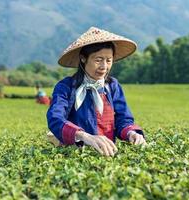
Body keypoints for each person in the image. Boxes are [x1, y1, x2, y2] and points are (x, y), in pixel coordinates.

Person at [46, 27, 146, 157]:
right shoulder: (66, 86)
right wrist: (84, 136)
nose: (104, 67)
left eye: (108, 60)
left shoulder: (112, 86)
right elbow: (55, 118)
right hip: (74, 156)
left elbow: (123, 119)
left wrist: (131, 133)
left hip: (108, 154)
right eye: (98, 60)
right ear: (83, 58)